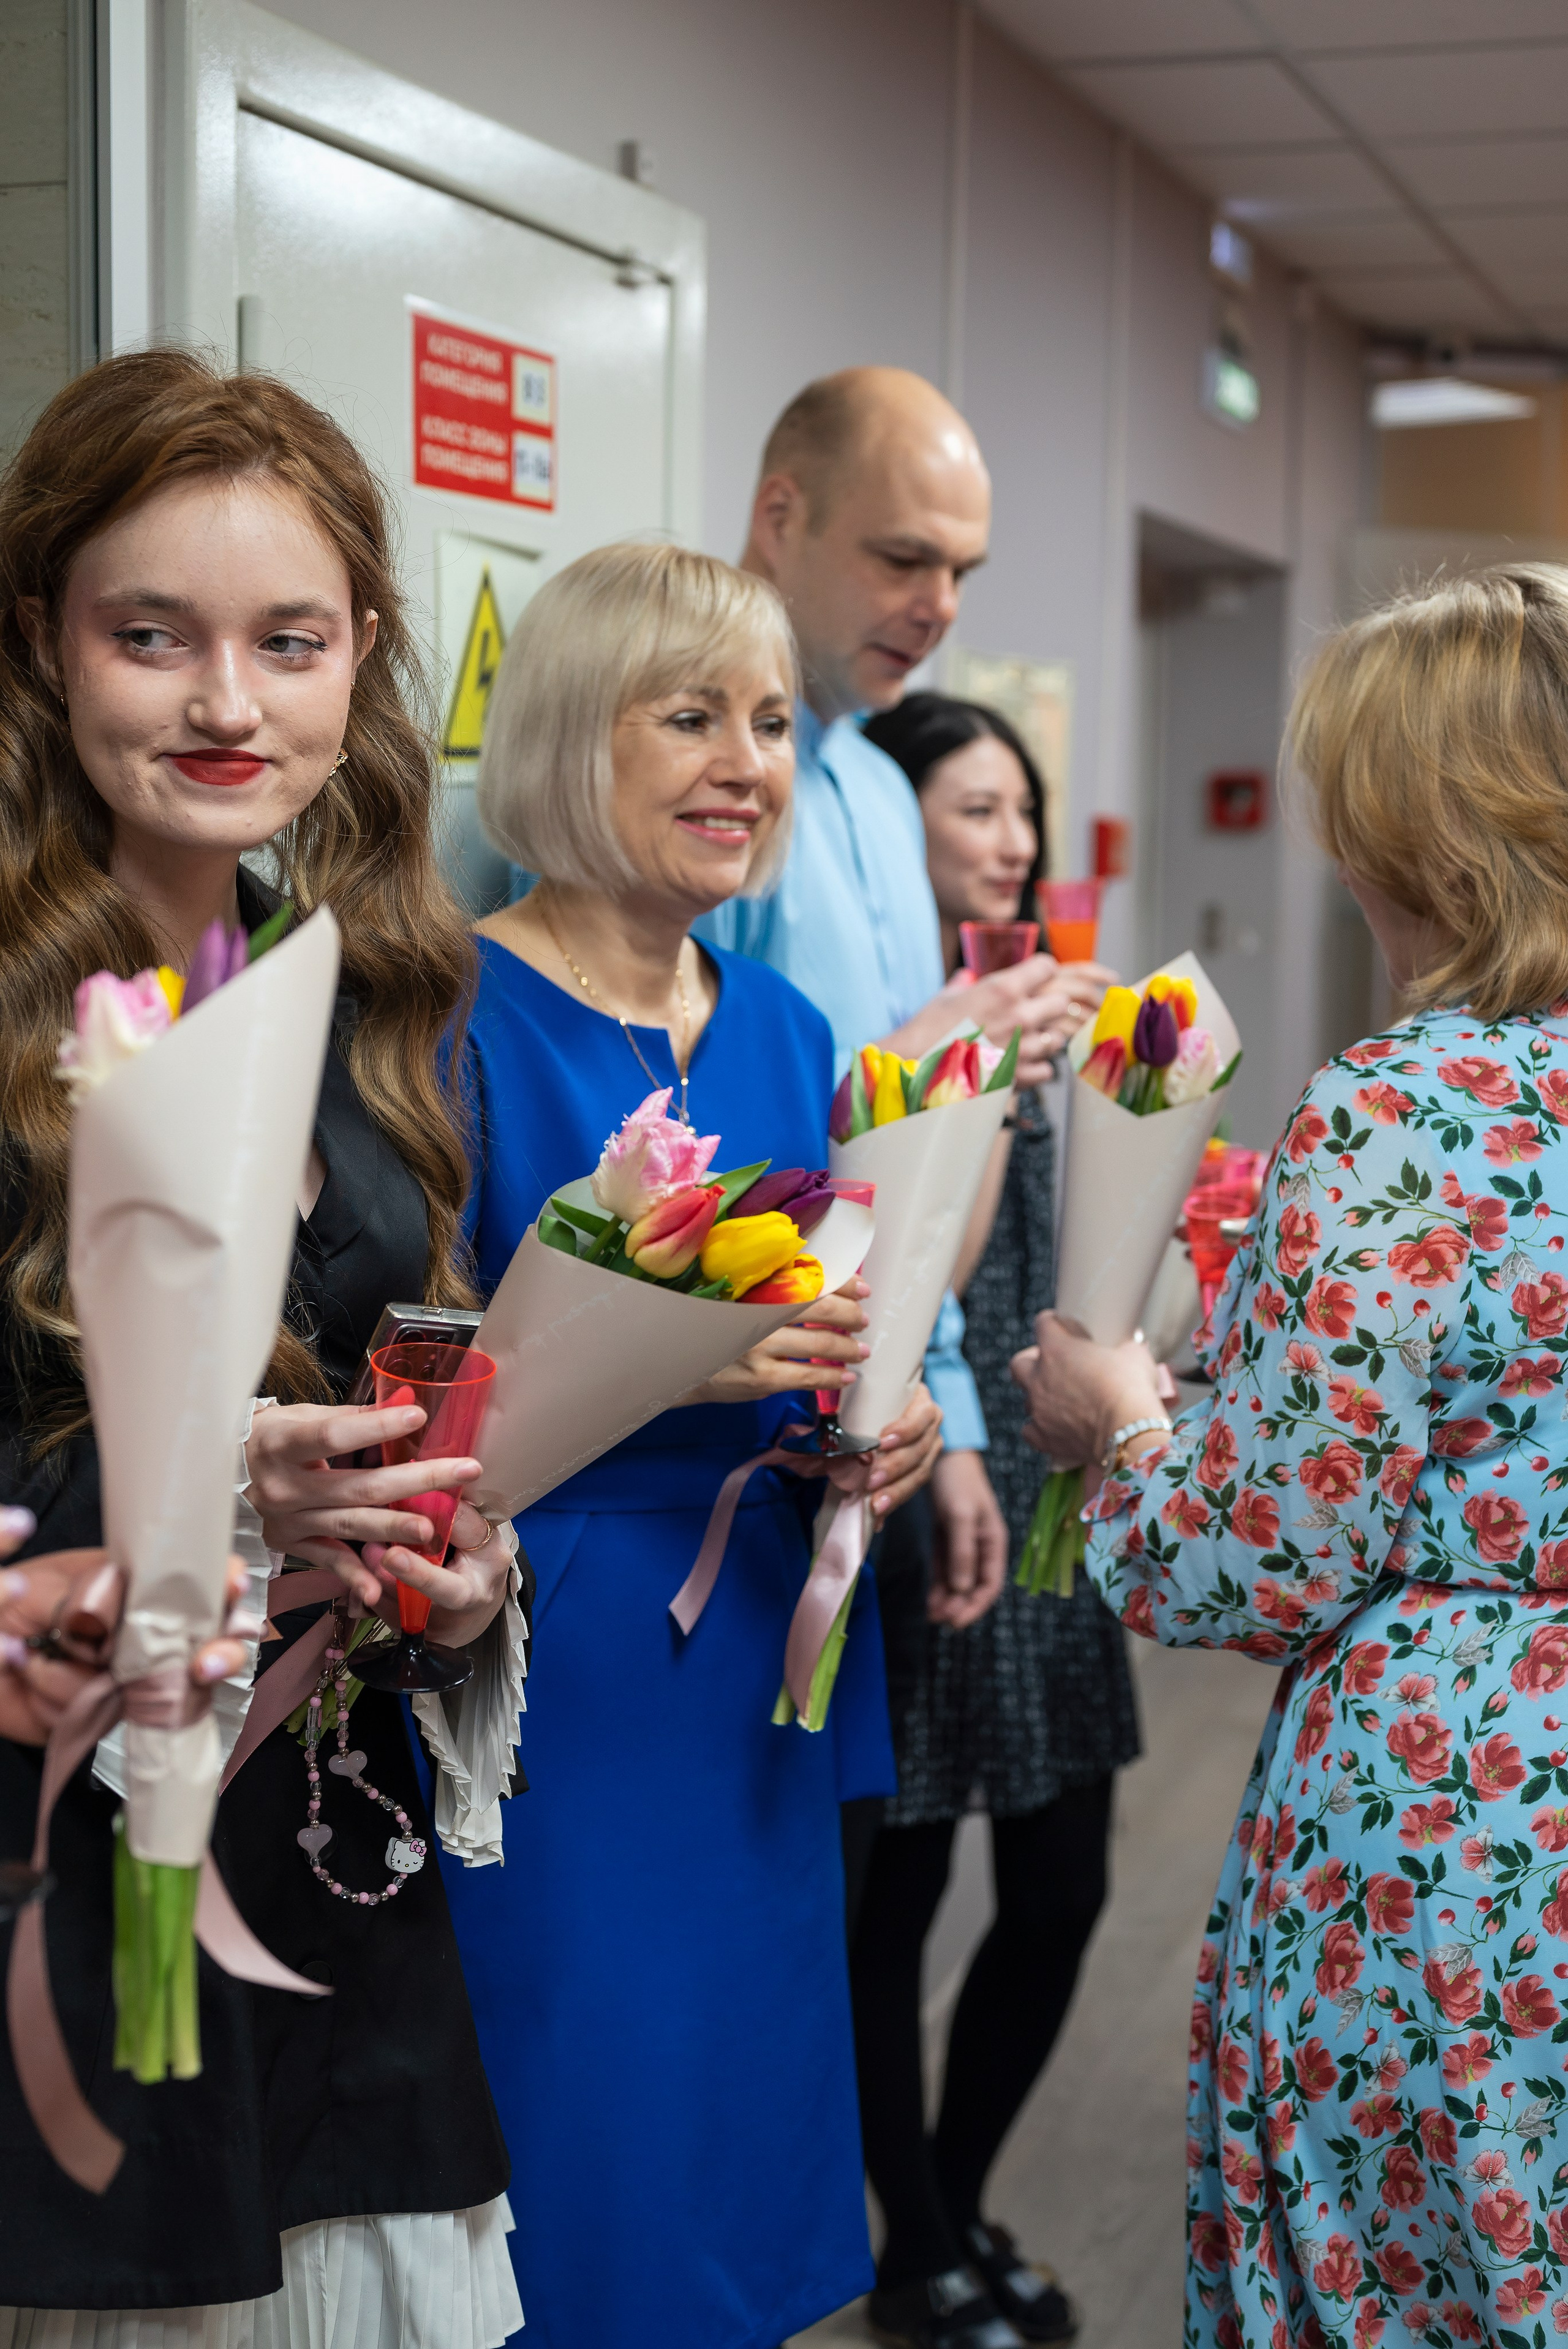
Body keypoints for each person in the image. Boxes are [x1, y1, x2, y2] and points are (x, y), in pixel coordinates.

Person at [0, 347, 524, 2343]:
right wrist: (208, 1486)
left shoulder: (369, 1009)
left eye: (288, 640)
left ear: (359, 654)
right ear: (44, 642)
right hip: (60, 1912)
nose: (229, 702)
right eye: (153, 635)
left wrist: (456, 1582)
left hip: (333, 1901)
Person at [1011, 564, 1568, 2348]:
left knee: (1412, 2277)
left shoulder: (1404, 1118)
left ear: (1420, 834)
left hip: (1453, 1819)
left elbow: (1256, 1556)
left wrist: (1122, 1421)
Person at [441, 538, 944, 2349]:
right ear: (571, 731)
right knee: (587, 2139)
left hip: (758, 1667)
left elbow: (815, 1334)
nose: (745, 763)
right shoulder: (450, 1018)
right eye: (689, 717)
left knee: (738, 2134)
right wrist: (670, 1368)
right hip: (557, 1670)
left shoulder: (789, 1026)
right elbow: (410, 1393)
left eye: (771, 723)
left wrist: (875, 1428)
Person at [696, 369, 1106, 1806]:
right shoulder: (711, 785)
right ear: (780, 515)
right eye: (900, 558)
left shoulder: (874, 779)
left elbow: (910, 1177)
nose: (936, 607)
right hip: (720, 1407)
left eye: (959, 572)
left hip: (877, 1415)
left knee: (843, 1869)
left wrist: (947, 1414)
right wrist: (931, 1050)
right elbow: (672, 1145)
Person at [848, 693, 1129, 2349]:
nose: (1013, 841)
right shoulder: (891, 1021)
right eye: (974, 809)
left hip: (1050, 1472)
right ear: (892, 832)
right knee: (894, 1896)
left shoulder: (1043, 1012)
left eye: (1024, 810)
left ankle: (949, 2202)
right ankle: (917, 2245)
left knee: (1064, 1883)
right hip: (932, 1468)